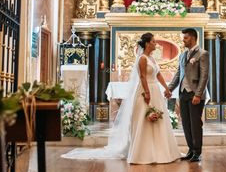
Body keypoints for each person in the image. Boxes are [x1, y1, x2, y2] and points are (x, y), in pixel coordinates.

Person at [62, 33, 181, 164]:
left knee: (158, 119)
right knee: (144, 119)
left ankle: (160, 151)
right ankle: (142, 153)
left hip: (156, 90)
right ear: (147, 44)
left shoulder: (152, 59)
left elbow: (158, 75)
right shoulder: (142, 59)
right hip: (145, 90)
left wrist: (167, 88)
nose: (155, 44)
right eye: (153, 41)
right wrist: (147, 93)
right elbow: (142, 77)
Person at [167, 28, 209, 163]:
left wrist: (198, 94)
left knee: (195, 124)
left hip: (195, 94)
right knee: (185, 123)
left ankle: (197, 152)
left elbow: (204, 76)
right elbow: (179, 74)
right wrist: (169, 88)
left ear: (192, 38)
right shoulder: (182, 55)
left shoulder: (202, 54)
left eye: (185, 38)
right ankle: (191, 149)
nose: (183, 40)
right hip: (183, 93)